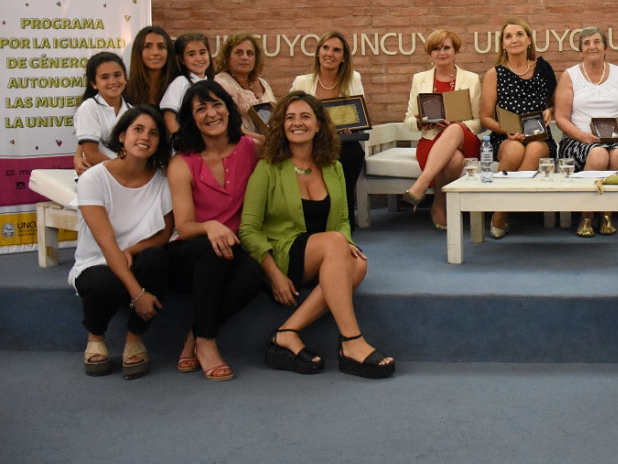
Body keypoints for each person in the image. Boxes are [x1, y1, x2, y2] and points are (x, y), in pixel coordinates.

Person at [240, 92, 394, 379]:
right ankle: (351, 341)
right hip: (283, 255)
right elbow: (248, 228)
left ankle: (287, 332)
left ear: (319, 125)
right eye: (290, 117)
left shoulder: (333, 167)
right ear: (281, 126)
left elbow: (344, 220)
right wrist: (273, 273)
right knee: (337, 243)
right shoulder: (268, 168)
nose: (297, 123)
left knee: (358, 263)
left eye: (305, 116)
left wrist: (346, 242)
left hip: (324, 257)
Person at [166, 80, 265, 381]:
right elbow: (183, 225)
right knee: (214, 249)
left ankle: (194, 334)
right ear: (191, 118)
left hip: (235, 248)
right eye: (201, 108)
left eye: (217, 104)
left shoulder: (252, 149)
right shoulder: (182, 163)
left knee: (252, 274)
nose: (211, 114)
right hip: (191, 250)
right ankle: (207, 343)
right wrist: (211, 225)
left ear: (229, 109)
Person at [68, 105, 174, 379]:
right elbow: (106, 244)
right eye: (138, 129)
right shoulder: (94, 178)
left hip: (134, 257)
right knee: (105, 283)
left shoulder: (162, 179)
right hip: (98, 261)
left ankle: (134, 338)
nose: (145, 137)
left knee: (158, 259)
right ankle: (95, 336)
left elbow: (165, 233)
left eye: (153, 133)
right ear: (123, 136)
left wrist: (133, 250)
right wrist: (138, 295)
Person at [555, 26, 618, 237]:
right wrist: (582, 135)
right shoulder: (570, 75)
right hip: (580, 140)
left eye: (596, 42)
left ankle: (607, 214)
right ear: (581, 50)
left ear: (605, 48)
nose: (592, 46)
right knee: (598, 153)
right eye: (587, 43)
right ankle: (587, 215)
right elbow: (561, 118)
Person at [479, 19, 557, 238]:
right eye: (508, 36)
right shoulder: (494, 74)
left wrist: (551, 109)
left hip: (539, 137)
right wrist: (505, 131)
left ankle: (500, 212)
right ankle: (504, 211)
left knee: (532, 150)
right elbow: (485, 117)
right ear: (503, 44)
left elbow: (557, 102)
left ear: (529, 40)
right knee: (514, 149)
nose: (514, 40)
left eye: (519, 34)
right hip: (506, 135)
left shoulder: (543, 67)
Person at [401, 29, 482, 230]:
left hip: (465, 140)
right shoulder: (420, 79)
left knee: (454, 128)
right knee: (454, 159)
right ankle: (440, 203)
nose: (442, 52)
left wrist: (457, 126)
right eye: (436, 49)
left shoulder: (471, 79)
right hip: (430, 141)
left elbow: (479, 122)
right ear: (430, 54)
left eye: (446, 47)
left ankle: (419, 187)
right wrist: (420, 122)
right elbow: (408, 120)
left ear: (455, 51)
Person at [290, 31, 368, 228]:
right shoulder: (302, 82)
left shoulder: (353, 79)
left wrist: (352, 126)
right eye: (325, 48)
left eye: (336, 50)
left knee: (353, 154)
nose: (329, 54)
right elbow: (290, 114)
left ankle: (345, 222)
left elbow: (359, 114)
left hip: (343, 142)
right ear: (318, 53)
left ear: (343, 58)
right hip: (310, 143)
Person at [73, 52, 131, 176]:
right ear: (94, 83)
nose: (113, 81)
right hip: (97, 176)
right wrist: (126, 169)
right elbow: (91, 155)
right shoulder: (89, 107)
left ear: (125, 77)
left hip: (127, 176)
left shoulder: (132, 111)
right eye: (105, 77)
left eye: (117, 75)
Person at [214, 33, 276, 140]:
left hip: (268, 146)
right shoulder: (221, 83)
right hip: (238, 144)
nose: (245, 57)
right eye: (239, 52)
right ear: (227, 57)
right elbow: (226, 125)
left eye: (250, 53)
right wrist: (262, 140)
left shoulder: (263, 83)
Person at [161, 33, 213, 134]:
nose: (198, 59)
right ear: (181, 60)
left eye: (202, 53)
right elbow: (169, 118)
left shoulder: (212, 83)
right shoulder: (180, 83)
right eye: (191, 54)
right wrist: (182, 143)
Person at [124, 25, 176, 107]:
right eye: (147, 46)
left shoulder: (178, 87)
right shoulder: (125, 91)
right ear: (138, 51)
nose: (155, 52)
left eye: (161, 47)